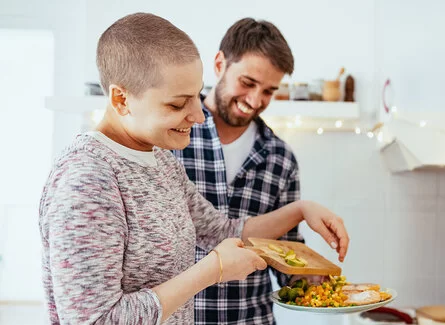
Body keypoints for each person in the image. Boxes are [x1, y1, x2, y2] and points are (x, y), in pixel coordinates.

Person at [39, 13, 349, 325]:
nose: (199, 117)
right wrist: (211, 270)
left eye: (196, 96)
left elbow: (222, 232)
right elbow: (93, 321)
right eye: (178, 104)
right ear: (121, 99)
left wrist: (301, 209)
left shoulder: (162, 162)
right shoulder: (86, 180)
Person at [173, 18, 348, 325]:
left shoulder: (281, 158)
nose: (255, 101)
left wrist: (317, 284)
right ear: (219, 64)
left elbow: (285, 253)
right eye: (248, 83)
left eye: (268, 91)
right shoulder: (173, 135)